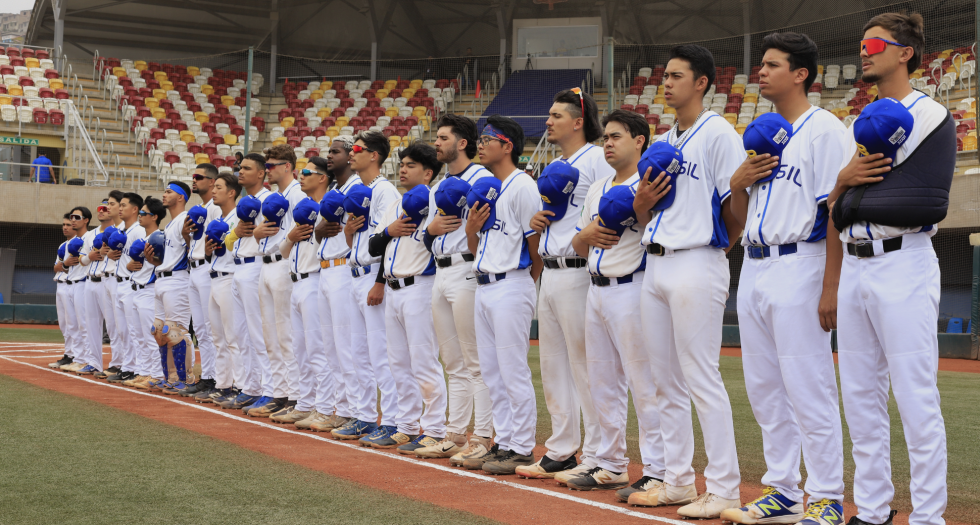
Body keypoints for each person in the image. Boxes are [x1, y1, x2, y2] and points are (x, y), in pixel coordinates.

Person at [721, 32, 848, 525]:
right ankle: (783, 491)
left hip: (801, 262)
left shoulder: (824, 129)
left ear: (800, 74)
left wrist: (831, 285)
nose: (762, 72)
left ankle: (827, 497)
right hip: (754, 264)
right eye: (762, 64)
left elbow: (834, 210)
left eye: (773, 65)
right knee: (765, 388)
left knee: (808, 385)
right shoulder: (761, 132)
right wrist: (737, 186)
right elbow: (740, 215)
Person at [829, 13, 948, 525]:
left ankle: (928, 517)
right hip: (855, 264)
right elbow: (834, 207)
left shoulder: (930, 114)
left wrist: (853, 197)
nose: (864, 51)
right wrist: (845, 181)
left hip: (904, 260)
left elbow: (927, 202)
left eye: (875, 45)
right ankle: (873, 510)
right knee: (860, 397)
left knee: (915, 396)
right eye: (861, 45)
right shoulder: (857, 122)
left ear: (905, 53)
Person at [628, 45, 744, 518]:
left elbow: (736, 205)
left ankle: (724, 488)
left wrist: (718, 248)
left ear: (701, 82)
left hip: (697, 259)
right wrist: (640, 205)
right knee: (664, 382)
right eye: (665, 76)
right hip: (655, 260)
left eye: (677, 76)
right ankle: (677, 481)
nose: (667, 83)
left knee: (701, 378)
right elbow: (649, 212)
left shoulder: (718, 133)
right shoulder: (664, 138)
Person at [567, 109, 667, 497]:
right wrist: (586, 235)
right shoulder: (597, 187)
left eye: (616, 136)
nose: (607, 143)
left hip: (632, 286)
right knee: (602, 383)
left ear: (639, 140)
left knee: (645, 384)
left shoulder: (650, 182)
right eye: (605, 137)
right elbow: (579, 243)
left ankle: (658, 469)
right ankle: (610, 464)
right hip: (596, 287)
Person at [520, 88, 610, 482]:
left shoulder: (597, 158)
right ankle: (561, 450)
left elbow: (610, 208)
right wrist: (538, 221)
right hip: (551, 272)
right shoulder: (557, 163)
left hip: (579, 271)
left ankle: (598, 453)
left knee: (587, 367)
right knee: (553, 366)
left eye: (557, 115)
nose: (548, 121)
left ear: (578, 121)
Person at [463, 115, 543, 475]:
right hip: (485, 283)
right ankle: (505, 441)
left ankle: (521, 447)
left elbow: (535, 246)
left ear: (507, 146)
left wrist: (525, 282)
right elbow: (478, 247)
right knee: (493, 373)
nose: (480, 145)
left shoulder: (522, 185)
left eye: (487, 139)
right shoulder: (494, 187)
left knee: (512, 370)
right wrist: (471, 229)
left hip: (512, 281)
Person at [414, 114, 493, 462]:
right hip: (441, 271)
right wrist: (429, 231)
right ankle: (456, 434)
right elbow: (426, 237)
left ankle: (484, 436)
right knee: (453, 362)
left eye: (444, 137)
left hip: (468, 268)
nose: (437, 142)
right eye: (437, 137)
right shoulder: (438, 186)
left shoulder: (483, 179)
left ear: (462, 143)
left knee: (476, 361)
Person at [364, 142, 447, 453]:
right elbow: (374, 247)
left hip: (420, 286)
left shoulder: (437, 202)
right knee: (398, 363)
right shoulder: (395, 205)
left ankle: (435, 429)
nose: (403, 169)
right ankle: (407, 426)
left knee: (424, 362)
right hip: (394, 288)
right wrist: (390, 231)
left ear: (427, 173)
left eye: (411, 165)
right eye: (402, 164)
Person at [331, 131, 400, 441]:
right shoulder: (360, 190)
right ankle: (365, 416)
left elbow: (388, 241)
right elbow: (358, 243)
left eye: (357, 149)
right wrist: (348, 232)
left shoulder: (385, 191)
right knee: (358, 353)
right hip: (354, 274)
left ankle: (393, 420)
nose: (351, 153)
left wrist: (380, 282)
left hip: (373, 276)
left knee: (381, 354)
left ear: (374, 155)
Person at [305, 138, 361, 432]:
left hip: (343, 268)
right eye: (328, 151)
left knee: (345, 346)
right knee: (330, 347)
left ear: (351, 156)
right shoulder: (335, 191)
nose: (329, 155)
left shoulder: (357, 188)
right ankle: (340, 408)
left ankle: (354, 410)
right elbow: (320, 234)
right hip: (325, 269)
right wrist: (318, 230)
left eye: (336, 151)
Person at [247, 144, 304, 418]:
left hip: (283, 265)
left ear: (287, 166)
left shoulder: (298, 193)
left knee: (286, 335)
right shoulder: (274, 196)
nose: (268, 170)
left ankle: (296, 396)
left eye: (272, 165)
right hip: (266, 264)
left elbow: (298, 232)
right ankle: (278, 393)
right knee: (270, 335)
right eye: (267, 164)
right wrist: (256, 234)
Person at [279, 158, 330, 430]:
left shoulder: (328, 208)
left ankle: (324, 407)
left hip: (314, 280)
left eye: (309, 171)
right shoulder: (302, 209)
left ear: (322, 178)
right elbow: (283, 251)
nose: (302, 175)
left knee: (317, 349)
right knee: (300, 349)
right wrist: (292, 236)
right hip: (296, 281)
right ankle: (305, 403)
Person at [220, 153, 273, 411]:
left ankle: (268, 389)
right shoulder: (243, 202)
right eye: (240, 168)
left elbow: (271, 235)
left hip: (256, 266)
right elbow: (229, 242)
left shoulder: (269, 200)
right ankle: (251, 388)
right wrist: (236, 233)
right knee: (241, 334)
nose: (240, 172)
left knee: (258, 333)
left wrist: (246, 233)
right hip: (238, 267)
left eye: (247, 168)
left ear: (261, 173)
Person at [144, 181, 194, 393]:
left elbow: (193, 250)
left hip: (178, 279)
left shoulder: (186, 219)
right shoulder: (171, 224)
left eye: (169, 192)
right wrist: (154, 261)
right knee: (159, 331)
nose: (164, 195)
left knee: (177, 331)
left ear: (181, 197)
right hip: (162, 278)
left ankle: (186, 378)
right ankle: (170, 377)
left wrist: (188, 237)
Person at [201, 173, 243, 404]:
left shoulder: (240, 216)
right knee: (218, 338)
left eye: (218, 187)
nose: (213, 191)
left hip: (230, 278)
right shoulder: (217, 218)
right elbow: (212, 253)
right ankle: (223, 384)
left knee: (233, 337)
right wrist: (207, 251)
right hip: (214, 276)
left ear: (231, 192)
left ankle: (240, 386)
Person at [180, 164, 221, 398]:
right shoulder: (199, 209)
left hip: (207, 268)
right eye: (193, 176)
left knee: (210, 327)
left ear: (212, 181)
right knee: (200, 329)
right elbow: (194, 244)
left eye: (199, 177)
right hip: (193, 268)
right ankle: (207, 376)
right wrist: (186, 236)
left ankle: (216, 378)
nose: (194, 180)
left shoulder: (215, 207)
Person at [77, 196, 121, 376]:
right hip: (89, 281)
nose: (103, 211)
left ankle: (117, 363)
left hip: (106, 280)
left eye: (106, 207)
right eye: (100, 208)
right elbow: (81, 259)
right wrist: (91, 255)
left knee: (112, 325)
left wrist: (104, 253)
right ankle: (93, 362)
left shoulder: (117, 231)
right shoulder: (90, 234)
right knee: (91, 325)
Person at [123, 197, 163, 389]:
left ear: (154, 217)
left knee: (151, 336)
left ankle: (157, 374)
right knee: (138, 336)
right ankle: (144, 372)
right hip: (136, 289)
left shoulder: (159, 238)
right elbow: (134, 265)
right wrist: (129, 266)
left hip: (149, 289)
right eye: (139, 213)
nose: (140, 216)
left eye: (143, 213)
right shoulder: (143, 240)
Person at [107, 192, 146, 384]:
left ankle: (137, 368)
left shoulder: (139, 230)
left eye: (124, 205)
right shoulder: (121, 231)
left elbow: (143, 259)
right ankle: (128, 366)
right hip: (119, 282)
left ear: (135, 209)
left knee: (134, 330)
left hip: (131, 283)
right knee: (122, 330)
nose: (120, 208)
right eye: (119, 205)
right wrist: (110, 254)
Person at [95, 191, 127, 379]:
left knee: (121, 326)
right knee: (113, 326)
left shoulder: (125, 229)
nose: (108, 207)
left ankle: (125, 364)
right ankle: (117, 362)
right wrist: (103, 252)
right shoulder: (112, 229)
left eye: (112, 203)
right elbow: (104, 254)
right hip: (106, 277)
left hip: (117, 278)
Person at [59, 206, 93, 373]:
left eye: (76, 217)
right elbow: (65, 267)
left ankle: (87, 359)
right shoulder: (70, 243)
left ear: (86, 220)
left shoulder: (90, 237)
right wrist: (65, 265)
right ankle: (78, 358)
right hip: (70, 283)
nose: (73, 220)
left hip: (83, 283)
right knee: (72, 325)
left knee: (84, 325)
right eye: (71, 217)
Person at [49, 214, 76, 369]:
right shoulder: (62, 245)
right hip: (60, 284)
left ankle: (74, 355)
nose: (65, 227)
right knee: (64, 324)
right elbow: (56, 267)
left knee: (73, 323)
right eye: (64, 224)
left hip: (70, 284)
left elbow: (68, 267)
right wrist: (64, 264)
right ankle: (68, 354)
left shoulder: (79, 243)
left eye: (68, 224)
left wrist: (63, 265)